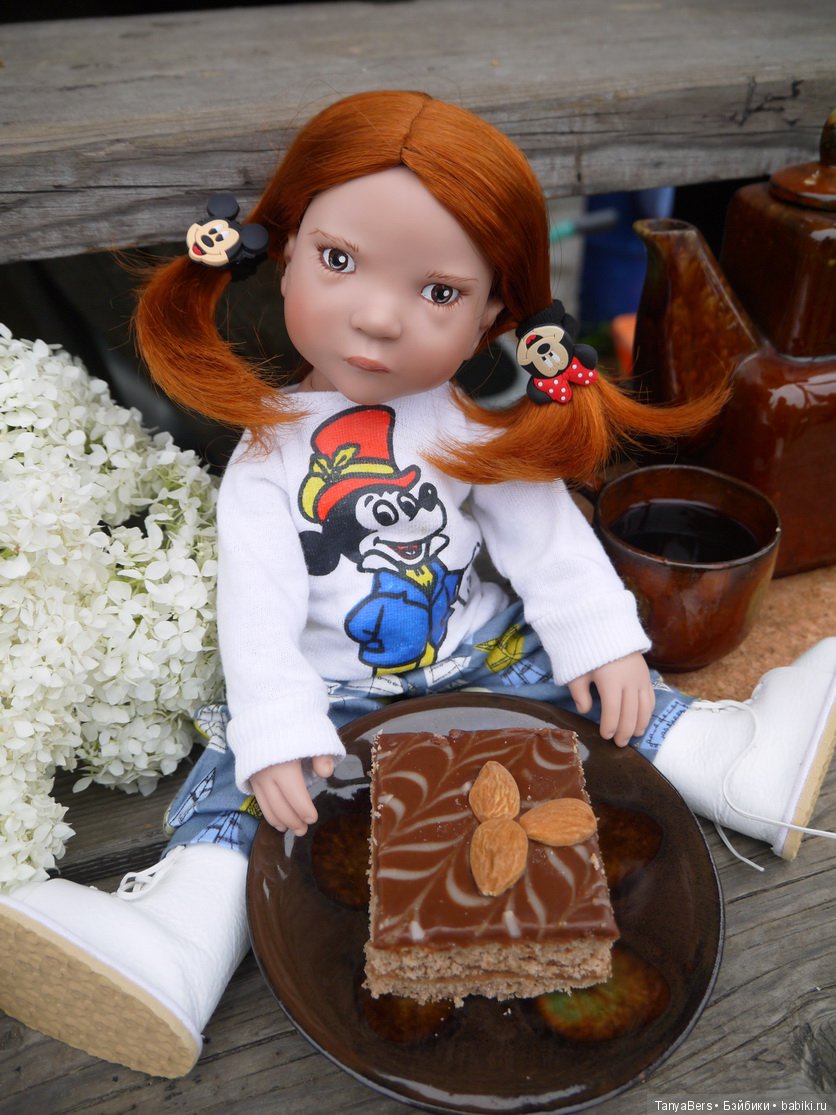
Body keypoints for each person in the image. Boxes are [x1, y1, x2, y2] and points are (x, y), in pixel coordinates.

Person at [1, 90, 833, 1080]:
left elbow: (544, 539)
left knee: (605, 697)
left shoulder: (468, 419)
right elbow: (257, 611)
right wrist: (276, 719)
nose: (377, 315)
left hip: (487, 659)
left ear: (493, 313)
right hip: (332, 700)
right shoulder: (268, 455)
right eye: (338, 261)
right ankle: (181, 939)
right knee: (253, 785)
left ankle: (735, 765)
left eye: (438, 291)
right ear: (284, 253)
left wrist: (603, 635)